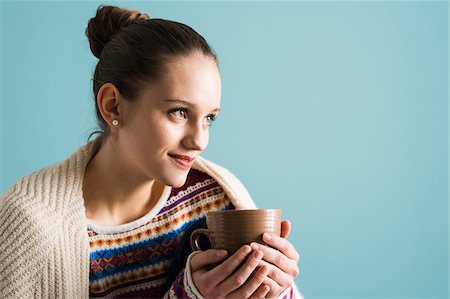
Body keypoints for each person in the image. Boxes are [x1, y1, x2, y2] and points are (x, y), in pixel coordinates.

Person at [0, 5, 302, 299]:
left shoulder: (215, 199)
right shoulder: (30, 227)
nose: (200, 141)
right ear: (113, 106)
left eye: (209, 118)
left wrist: (275, 289)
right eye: (179, 112)